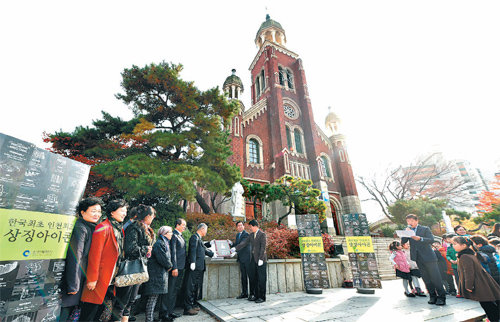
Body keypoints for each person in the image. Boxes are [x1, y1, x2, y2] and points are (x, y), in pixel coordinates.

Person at [80, 199, 128, 321]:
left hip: (111, 279)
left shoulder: (119, 229)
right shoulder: (103, 227)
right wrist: (92, 279)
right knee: (89, 312)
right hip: (99, 278)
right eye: (122, 211)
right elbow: (95, 255)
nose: (124, 214)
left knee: (100, 311)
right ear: (112, 212)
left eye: (126, 211)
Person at [60, 197, 103, 321]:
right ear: (82, 212)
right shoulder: (80, 227)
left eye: (99, 211)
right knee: (66, 313)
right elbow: (75, 257)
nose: (97, 214)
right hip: (76, 280)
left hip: (84, 280)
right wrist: (73, 284)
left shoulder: (93, 227)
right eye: (93, 211)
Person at [115, 205, 156, 321]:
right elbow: (130, 249)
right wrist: (145, 249)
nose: (153, 218)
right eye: (153, 215)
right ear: (148, 216)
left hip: (139, 267)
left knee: (131, 299)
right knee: (123, 300)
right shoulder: (134, 228)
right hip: (130, 267)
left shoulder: (146, 228)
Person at [451, 235, 500, 322]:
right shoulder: (471, 254)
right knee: (489, 302)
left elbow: (469, 272)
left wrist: (468, 286)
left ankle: (494, 319)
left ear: (464, 245)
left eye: (455, 244)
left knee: (487, 304)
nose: (453, 246)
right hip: (482, 281)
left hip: (478, 283)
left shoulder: (464, 256)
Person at [402, 214, 447, 306]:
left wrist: (420, 238)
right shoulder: (407, 230)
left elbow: (431, 239)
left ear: (416, 221)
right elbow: (403, 242)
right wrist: (406, 233)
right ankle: (432, 296)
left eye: (411, 221)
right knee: (426, 278)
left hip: (429, 256)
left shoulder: (425, 229)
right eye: (408, 221)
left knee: (435, 277)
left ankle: (441, 297)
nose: (409, 223)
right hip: (418, 257)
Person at [142, 226, 173, 322]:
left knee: (154, 298)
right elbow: (162, 258)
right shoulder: (160, 243)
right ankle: (149, 319)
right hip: (156, 274)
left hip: (159, 274)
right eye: (170, 232)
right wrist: (169, 266)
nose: (171, 234)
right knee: (152, 298)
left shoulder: (163, 242)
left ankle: (150, 318)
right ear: (164, 233)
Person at [232, 219, 267, 303]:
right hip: (253, 260)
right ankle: (256, 296)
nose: (250, 228)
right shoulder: (251, 235)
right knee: (254, 278)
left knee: (261, 279)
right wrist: (235, 248)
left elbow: (263, 247)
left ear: (255, 226)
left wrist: (261, 259)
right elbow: (244, 243)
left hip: (261, 260)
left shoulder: (262, 235)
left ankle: (262, 297)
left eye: (251, 227)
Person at [183, 223, 215, 315]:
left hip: (198, 268)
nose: (206, 232)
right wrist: (192, 262)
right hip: (194, 267)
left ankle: (192, 305)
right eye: (206, 230)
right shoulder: (194, 237)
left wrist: (213, 253)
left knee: (194, 287)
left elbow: (203, 248)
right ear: (202, 229)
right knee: (190, 287)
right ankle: (187, 308)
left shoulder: (198, 238)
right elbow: (192, 249)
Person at [165, 218, 187, 320]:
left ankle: (171, 311)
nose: (184, 227)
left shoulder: (180, 236)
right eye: (183, 225)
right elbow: (173, 253)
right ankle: (166, 313)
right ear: (177, 225)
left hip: (181, 267)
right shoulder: (174, 235)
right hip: (176, 268)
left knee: (175, 290)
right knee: (171, 290)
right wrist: (174, 267)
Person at [232, 221, 251, 299]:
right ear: (236, 227)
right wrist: (231, 244)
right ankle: (244, 293)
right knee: (243, 277)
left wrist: (235, 249)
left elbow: (242, 244)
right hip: (241, 259)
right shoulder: (238, 235)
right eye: (238, 226)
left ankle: (252, 293)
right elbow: (237, 244)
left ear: (244, 226)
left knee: (250, 277)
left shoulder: (246, 235)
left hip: (247, 259)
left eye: (241, 225)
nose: (240, 227)